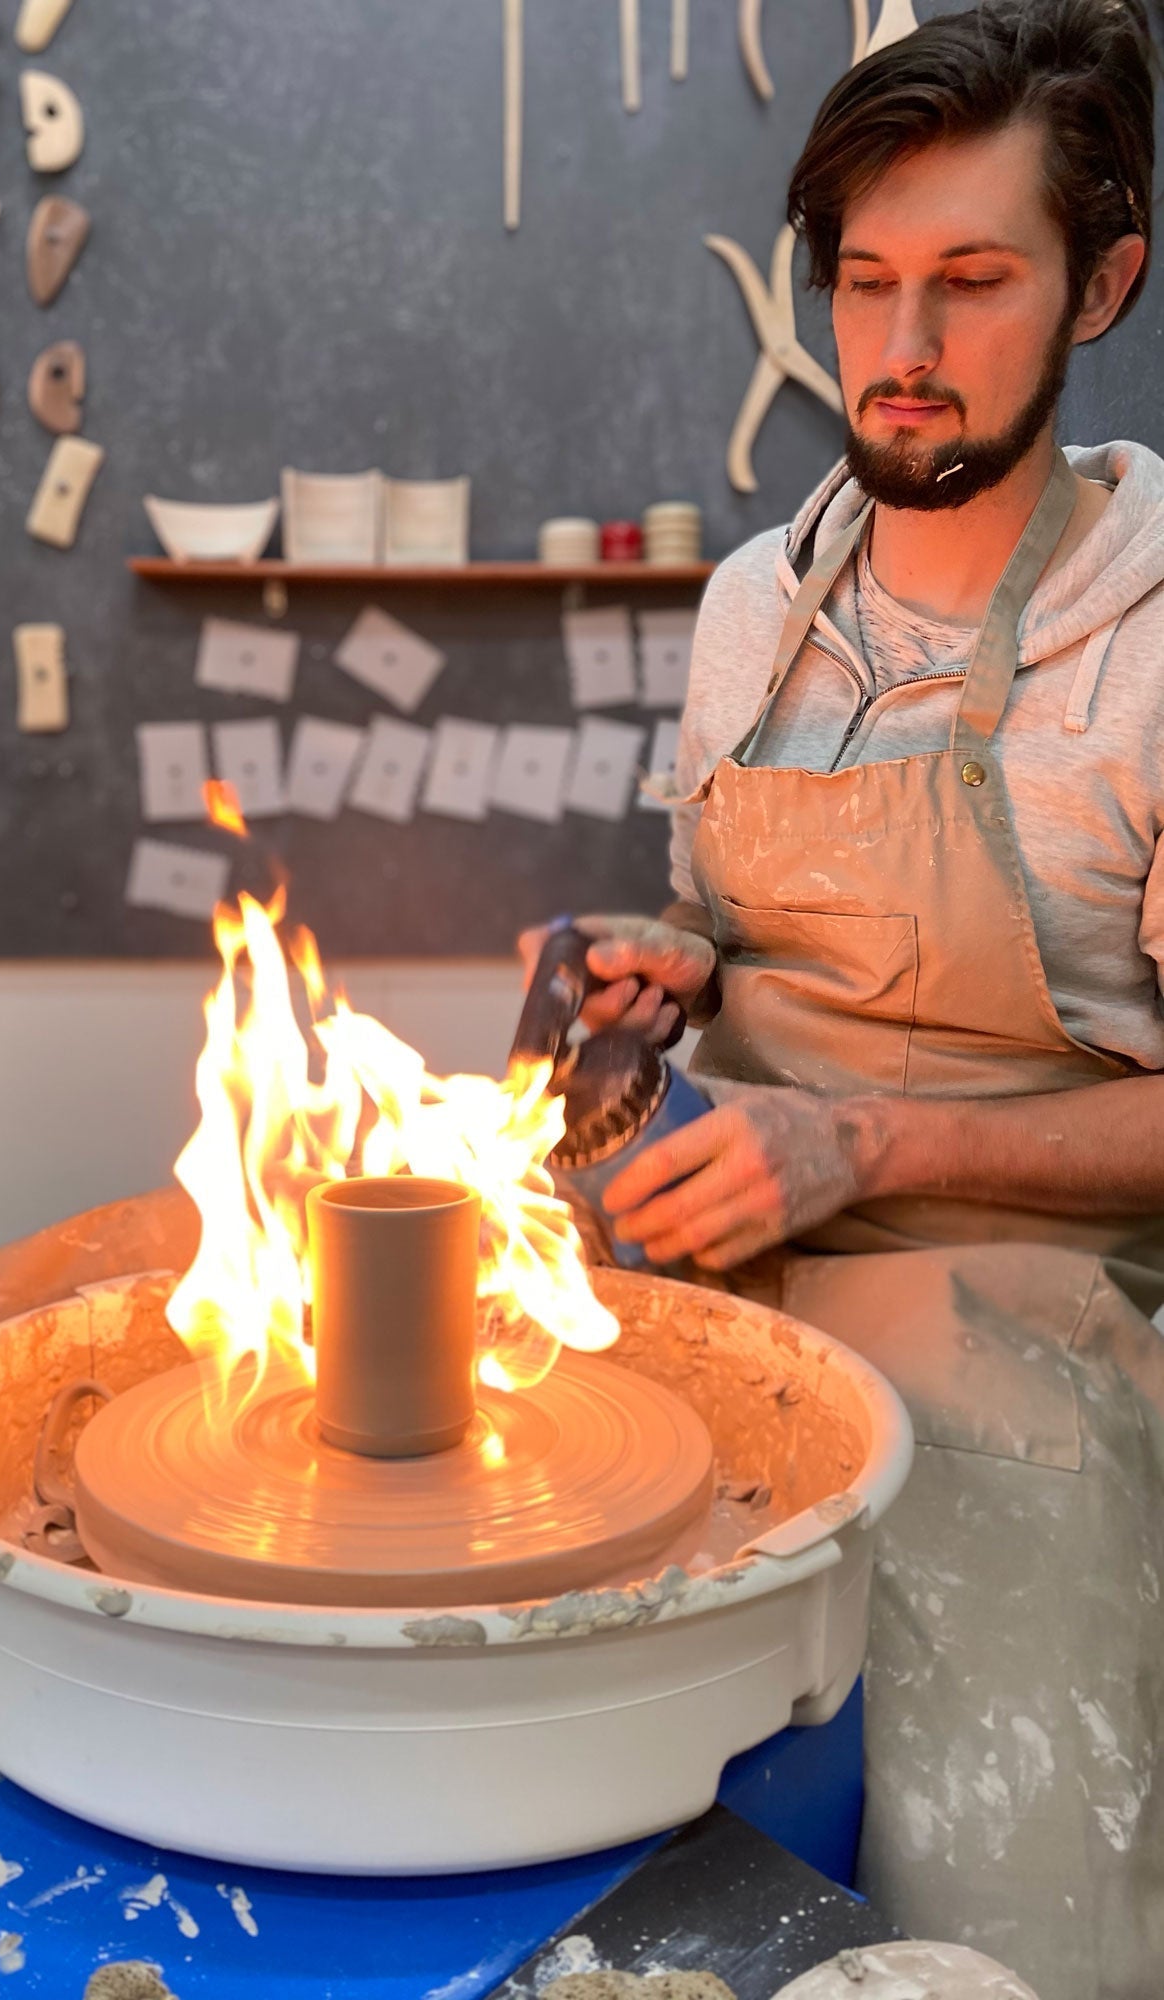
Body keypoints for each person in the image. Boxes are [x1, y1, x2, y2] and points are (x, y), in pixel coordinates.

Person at [525, 5, 1164, 1995]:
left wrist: (862, 1139)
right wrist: (666, 977)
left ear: (1106, 281)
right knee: (550, 1854)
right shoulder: (751, 607)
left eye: (973, 283)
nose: (902, 346)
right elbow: (729, 938)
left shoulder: (1146, 637)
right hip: (719, 1292)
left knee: (1004, 1931)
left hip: (1023, 1351)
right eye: (866, 282)